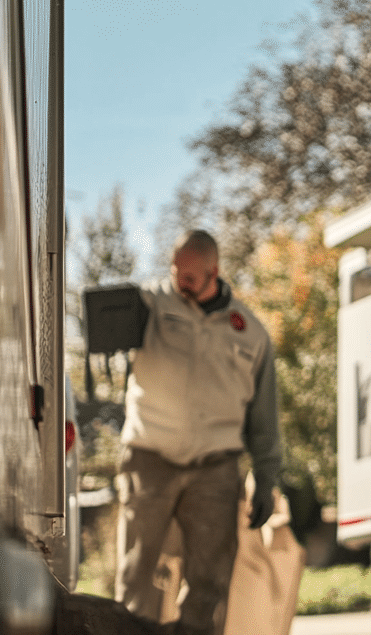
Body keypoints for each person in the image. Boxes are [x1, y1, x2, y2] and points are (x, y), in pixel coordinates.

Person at [116, 230, 281, 635]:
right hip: (149, 457)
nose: (180, 282)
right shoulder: (149, 304)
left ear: (214, 271)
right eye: (175, 272)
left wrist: (266, 479)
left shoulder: (251, 333)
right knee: (135, 576)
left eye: (190, 276)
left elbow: (264, 418)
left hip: (215, 468)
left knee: (209, 581)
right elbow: (105, 326)